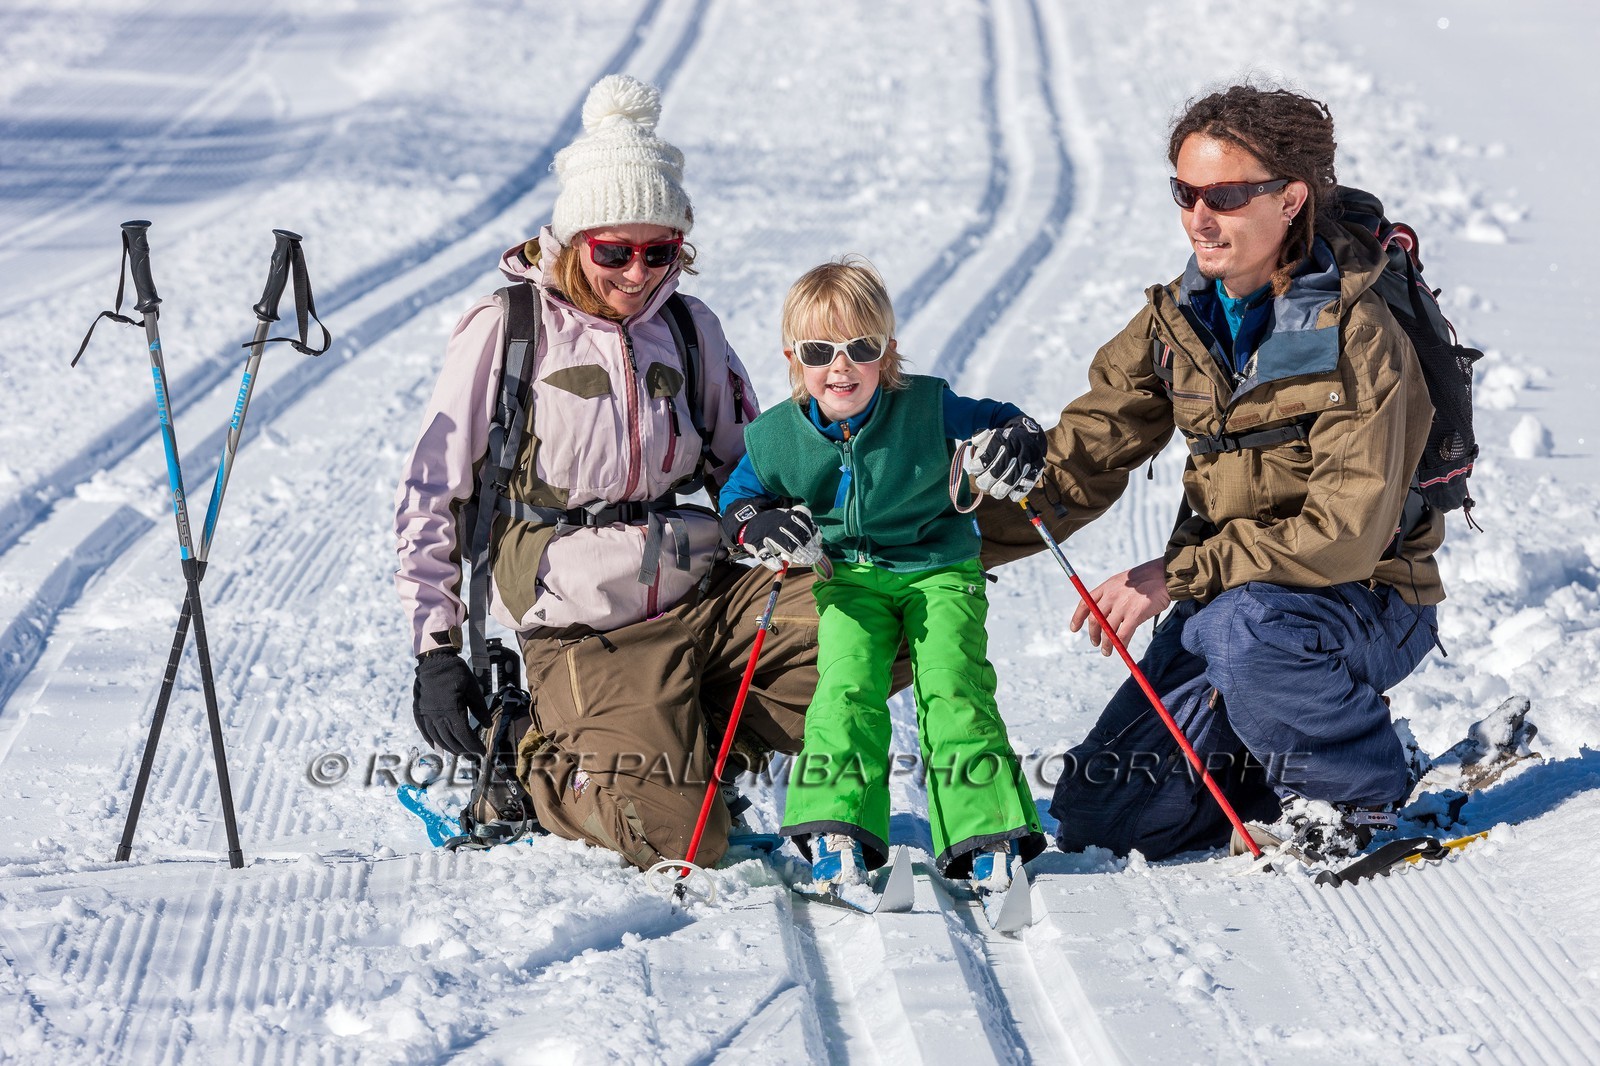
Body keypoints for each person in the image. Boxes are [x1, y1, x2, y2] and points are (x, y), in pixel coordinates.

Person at [980, 85, 1445, 861]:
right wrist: (958, 525)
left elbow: (1345, 536)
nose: (1200, 216)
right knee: (1104, 813)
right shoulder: (1183, 319)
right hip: (1235, 606)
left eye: (1226, 196)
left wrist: (1177, 573)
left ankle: (1357, 791)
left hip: (1367, 599)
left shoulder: (1359, 333)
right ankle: (1280, 755)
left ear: (1291, 198)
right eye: (1186, 193)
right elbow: (1089, 449)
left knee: (1243, 627)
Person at [393, 74, 825, 871]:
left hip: (703, 592)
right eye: (614, 252)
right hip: (587, 623)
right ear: (571, 240)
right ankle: (529, 765)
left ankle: (697, 755)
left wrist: (779, 509)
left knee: (864, 618)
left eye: (659, 252)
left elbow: (754, 467)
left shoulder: (691, 330)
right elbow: (432, 494)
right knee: (684, 842)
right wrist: (437, 650)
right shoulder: (509, 328)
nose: (637, 273)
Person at [718, 258, 1048, 889]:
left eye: (859, 348)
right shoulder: (775, 437)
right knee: (845, 691)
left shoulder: (925, 405)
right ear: (793, 356)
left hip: (937, 569)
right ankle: (833, 826)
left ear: (887, 353)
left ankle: (987, 831)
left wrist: (1019, 436)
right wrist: (753, 523)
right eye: (820, 350)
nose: (839, 366)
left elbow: (1003, 419)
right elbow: (739, 498)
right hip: (847, 579)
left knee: (953, 684)